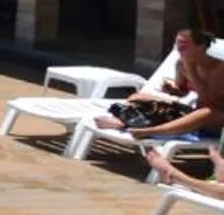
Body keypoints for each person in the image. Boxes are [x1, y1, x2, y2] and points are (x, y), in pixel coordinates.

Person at [93, 30, 223, 141]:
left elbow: (208, 101)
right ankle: (125, 122)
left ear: (201, 47)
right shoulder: (181, 64)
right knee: (138, 96)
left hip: (216, 119)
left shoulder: (218, 68)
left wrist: (191, 68)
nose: (178, 49)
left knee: (207, 112)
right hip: (193, 112)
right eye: (177, 44)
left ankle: (149, 131)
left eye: (184, 45)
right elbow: (181, 91)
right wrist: (171, 89)